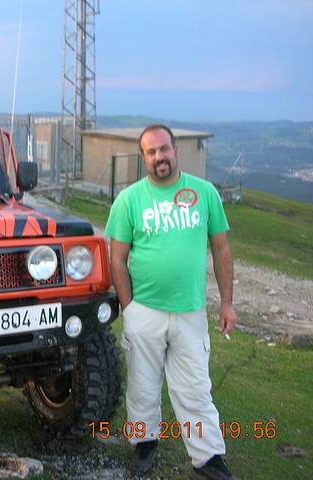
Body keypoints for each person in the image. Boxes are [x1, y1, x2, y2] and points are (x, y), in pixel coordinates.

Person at [104, 125, 239, 480]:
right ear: (143, 157)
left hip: (190, 310)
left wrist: (227, 303)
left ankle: (207, 458)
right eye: (151, 152)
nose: (159, 157)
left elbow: (222, 249)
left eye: (164, 149)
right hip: (144, 310)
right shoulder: (129, 200)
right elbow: (116, 259)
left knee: (195, 386)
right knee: (142, 385)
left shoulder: (205, 193)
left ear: (176, 151)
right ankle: (143, 445)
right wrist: (129, 308)